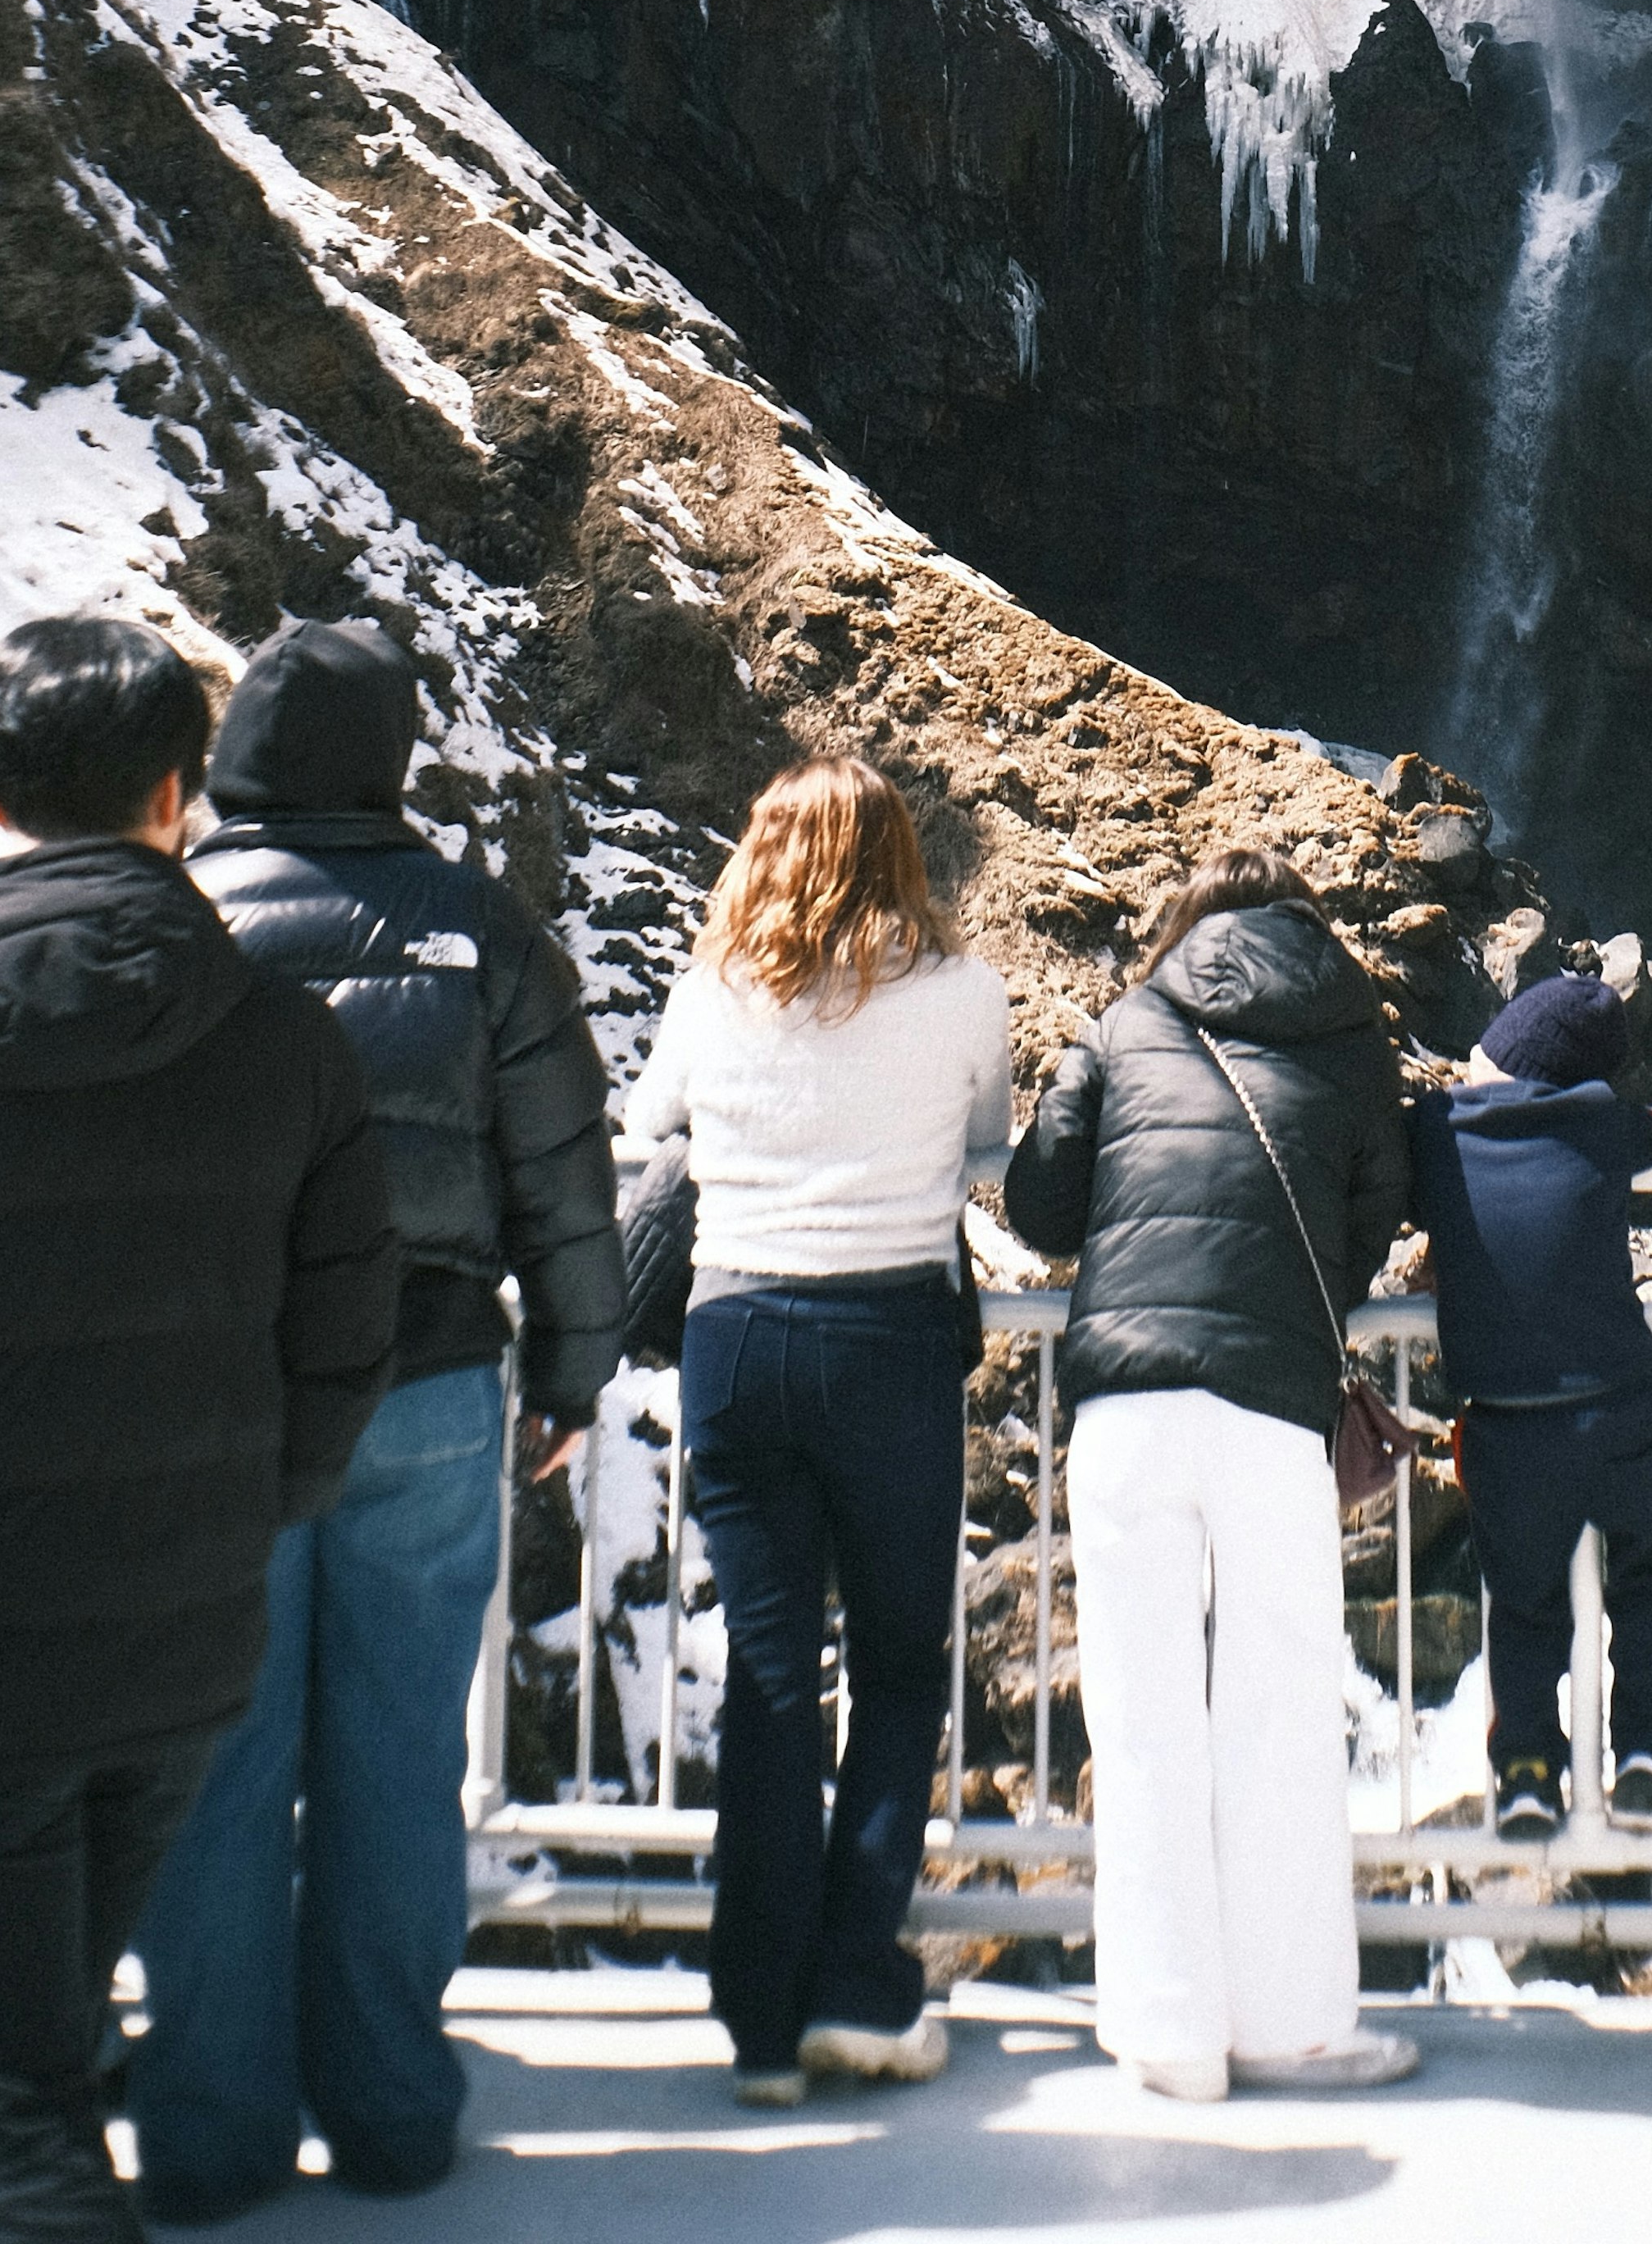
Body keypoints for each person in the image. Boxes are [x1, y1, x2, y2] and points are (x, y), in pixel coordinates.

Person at [130, 617, 628, 2222]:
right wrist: (567, 1379)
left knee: (214, 1762)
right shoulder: (483, 934)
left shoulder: (179, 924)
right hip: (424, 1384)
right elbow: (563, 1188)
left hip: (216, 1402)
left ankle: (209, 2132)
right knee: (400, 1758)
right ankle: (395, 2108)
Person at [0, 617, 398, 2244]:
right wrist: (250, 1515)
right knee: (39, 2044)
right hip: (183, 1645)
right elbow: (349, 1332)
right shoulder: (288, 1040)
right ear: (177, 801)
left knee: (21, 2112)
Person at [622, 756, 1010, 2108]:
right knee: (903, 1669)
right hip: (887, 1342)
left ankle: (759, 2021)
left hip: (734, 1336)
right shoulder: (963, 992)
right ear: (905, 860)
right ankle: (859, 1983)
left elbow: (646, 1128)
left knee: (773, 1672)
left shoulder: (711, 992)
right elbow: (988, 1138)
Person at [1001, 843, 1413, 2110]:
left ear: (1185, 928)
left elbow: (1037, 1209)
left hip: (1125, 1404)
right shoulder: (1354, 1040)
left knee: (1140, 1722)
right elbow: (1373, 1222)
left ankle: (1166, 2032)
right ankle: (1291, 2025)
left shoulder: (1128, 1023)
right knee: (1282, 1715)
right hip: (1269, 1407)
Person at [1405, 972, 1652, 1839]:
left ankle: (1528, 1770)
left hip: (1507, 1419)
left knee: (1522, 1600)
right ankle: (1643, 1751)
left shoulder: (1436, 1131)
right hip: (1620, 1405)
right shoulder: (1606, 1124)